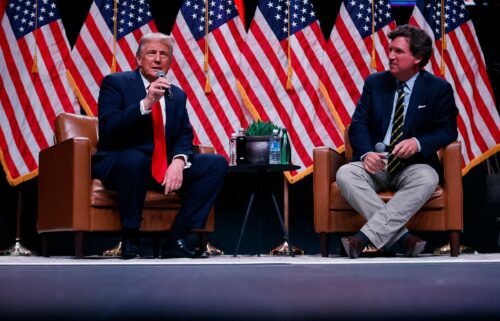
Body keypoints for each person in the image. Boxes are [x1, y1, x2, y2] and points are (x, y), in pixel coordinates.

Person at [92, 33, 227, 259]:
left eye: (163, 54)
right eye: (151, 53)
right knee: (134, 160)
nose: (157, 59)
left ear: (170, 62)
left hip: (161, 165)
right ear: (138, 59)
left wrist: (178, 160)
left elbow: (184, 133)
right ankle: (131, 238)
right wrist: (146, 103)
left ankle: (177, 237)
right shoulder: (116, 83)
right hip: (123, 162)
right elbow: (109, 129)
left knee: (216, 164)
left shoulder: (177, 94)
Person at [336, 25, 458, 258]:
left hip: (413, 165)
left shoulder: (438, 88)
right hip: (376, 163)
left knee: (428, 178)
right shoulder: (375, 83)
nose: (390, 56)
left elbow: (448, 130)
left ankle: (362, 239)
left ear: (418, 58)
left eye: (398, 52)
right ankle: (403, 239)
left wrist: (418, 142)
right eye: (390, 50)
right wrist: (365, 154)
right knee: (345, 174)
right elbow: (358, 124)